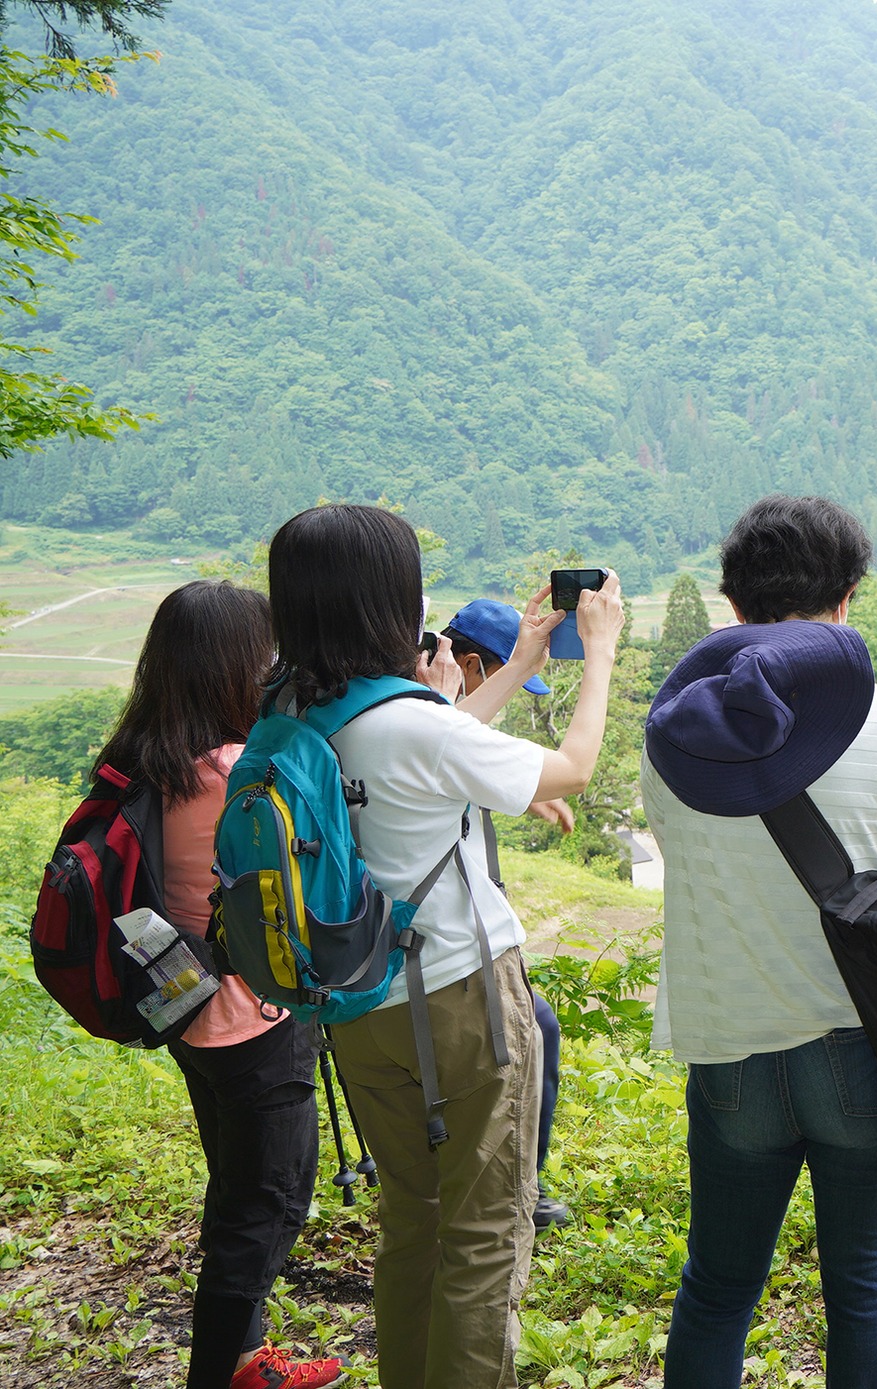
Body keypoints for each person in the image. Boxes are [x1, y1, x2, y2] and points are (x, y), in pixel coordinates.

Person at [269, 505, 625, 1389]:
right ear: (387, 600)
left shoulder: (294, 714)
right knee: (484, 1232)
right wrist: (602, 651)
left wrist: (522, 661)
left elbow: (439, 735)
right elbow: (570, 766)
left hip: (358, 1007)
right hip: (462, 1000)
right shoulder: (419, 728)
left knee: (414, 1219)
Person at [641, 495, 877, 1389]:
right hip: (865, 1043)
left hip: (729, 1046)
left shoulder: (673, 736)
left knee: (717, 1286)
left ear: (733, 605)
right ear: (848, 598)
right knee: (863, 1283)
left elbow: (681, 855)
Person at [98, 581, 342, 1389]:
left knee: (239, 1185)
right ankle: (221, 1375)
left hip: (184, 1007)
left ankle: (247, 1360)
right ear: (238, 664)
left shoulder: (144, 759)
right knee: (263, 1208)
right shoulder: (236, 769)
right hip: (252, 1017)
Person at [443, 597, 585, 1230]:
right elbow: (454, 751)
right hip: (445, 938)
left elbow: (465, 757)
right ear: (471, 664)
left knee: (535, 1030)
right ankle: (518, 1186)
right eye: (504, 676)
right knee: (536, 1030)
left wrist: (526, 797)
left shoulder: (423, 713)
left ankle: (517, 1177)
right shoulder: (430, 716)